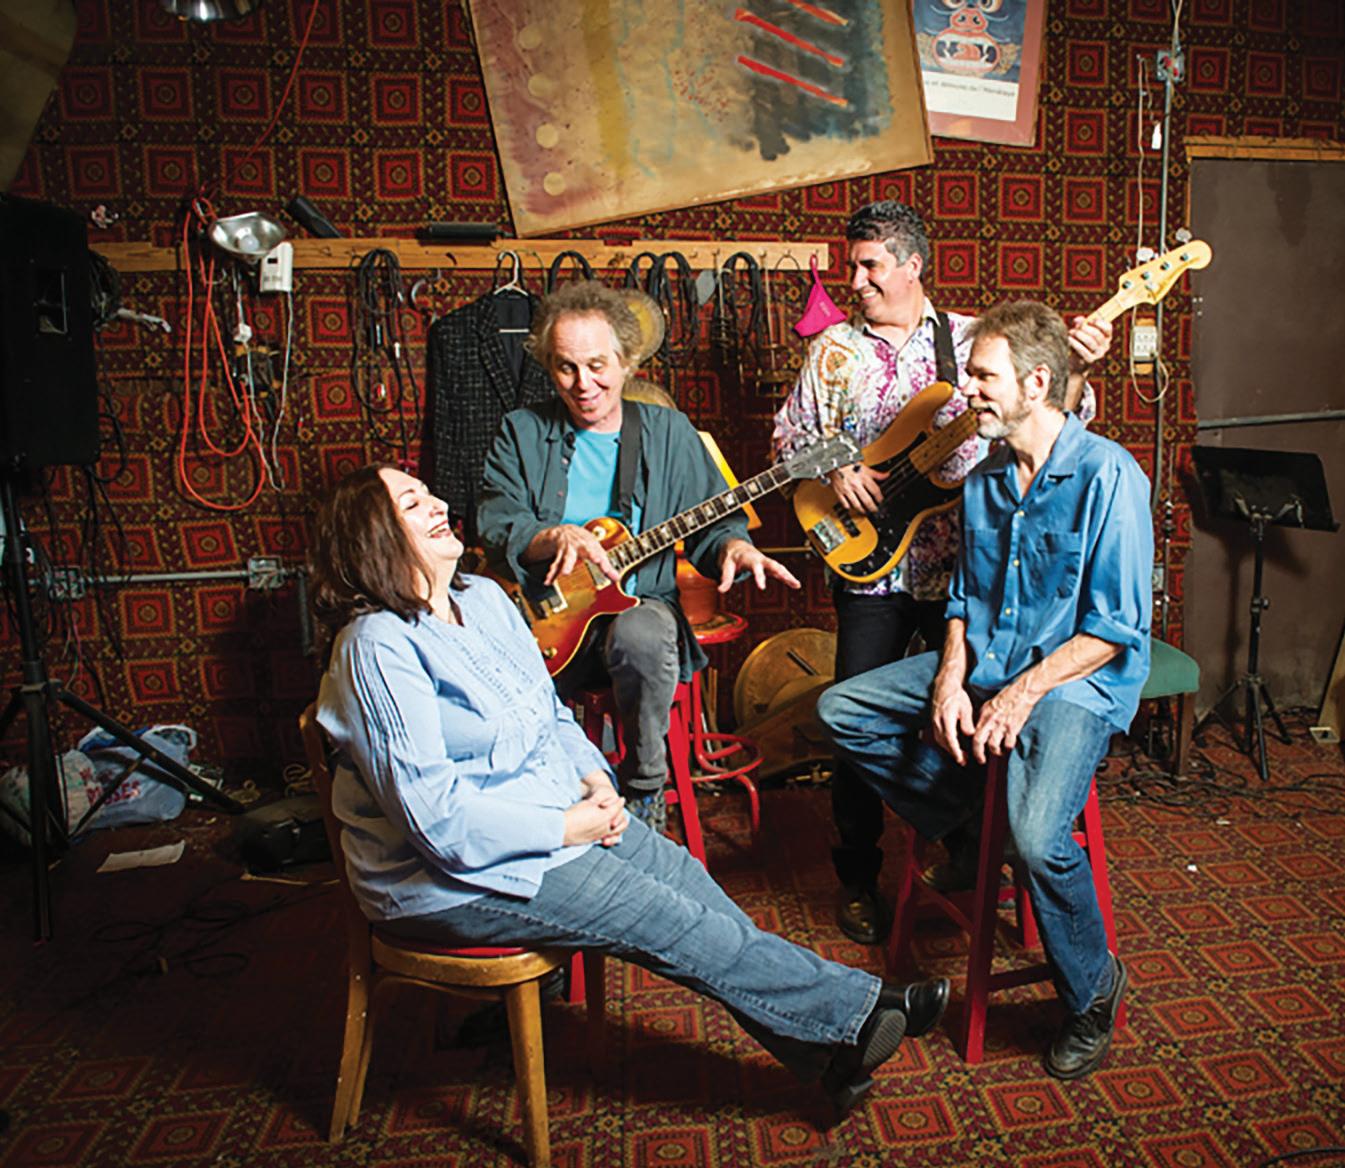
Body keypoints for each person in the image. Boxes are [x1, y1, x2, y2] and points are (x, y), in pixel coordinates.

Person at [310, 463, 950, 1122]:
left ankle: (826, 1053)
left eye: (428, 492)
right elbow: (439, 825)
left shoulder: (483, 600)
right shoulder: (376, 649)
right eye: (413, 503)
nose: (439, 503)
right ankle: (863, 1008)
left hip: (550, 816)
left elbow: (549, 715)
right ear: (373, 536)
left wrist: (596, 782)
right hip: (451, 878)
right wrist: (570, 829)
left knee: (685, 880)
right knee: (665, 917)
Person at [817, 301, 1151, 1080]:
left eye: (981, 376)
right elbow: (964, 600)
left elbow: (1114, 628)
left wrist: (1018, 694)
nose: (966, 390)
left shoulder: (1108, 474)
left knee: (1037, 840)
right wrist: (947, 678)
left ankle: (1091, 990)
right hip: (989, 664)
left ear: (1035, 383)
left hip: (1074, 680)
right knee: (841, 708)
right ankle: (972, 826)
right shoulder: (985, 479)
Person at [772, 200, 1113, 945]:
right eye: (852, 265)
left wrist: (1081, 367)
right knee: (852, 722)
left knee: (962, 712)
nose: (855, 281)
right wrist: (836, 470)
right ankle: (858, 877)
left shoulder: (970, 340)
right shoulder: (831, 350)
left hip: (967, 576)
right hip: (869, 569)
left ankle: (970, 840)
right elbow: (788, 434)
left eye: (869, 265)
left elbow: (1056, 417)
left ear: (912, 265)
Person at [478, 280, 799, 831]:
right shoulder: (521, 431)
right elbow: (494, 518)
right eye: (565, 368)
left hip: (638, 605)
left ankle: (645, 790)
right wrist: (551, 537)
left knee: (643, 634)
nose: (583, 384)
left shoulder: (670, 433)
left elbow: (713, 524)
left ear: (627, 362)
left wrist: (735, 546)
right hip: (543, 615)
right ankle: (540, 802)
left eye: (597, 365)